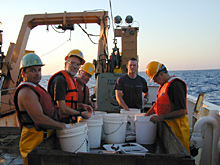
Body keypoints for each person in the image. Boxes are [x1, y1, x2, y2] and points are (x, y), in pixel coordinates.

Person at [14, 53, 67, 165]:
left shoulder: (35, 87)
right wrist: (61, 126)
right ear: (23, 73)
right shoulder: (26, 92)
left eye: (39, 70)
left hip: (43, 138)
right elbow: (39, 119)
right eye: (33, 70)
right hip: (33, 141)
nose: (37, 74)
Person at [145, 61, 190, 153]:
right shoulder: (163, 85)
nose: (154, 81)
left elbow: (181, 111)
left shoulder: (176, 85)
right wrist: (145, 116)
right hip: (168, 130)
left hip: (178, 131)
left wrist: (160, 117)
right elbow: (157, 105)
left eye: (154, 78)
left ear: (161, 74)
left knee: (181, 156)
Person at [47, 49, 93, 123]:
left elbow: (70, 104)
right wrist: (80, 113)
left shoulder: (71, 80)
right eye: (72, 63)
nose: (75, 66)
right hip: (58, 123)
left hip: (67, 122)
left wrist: (82, 106)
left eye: (78, 64)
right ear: (65, 64)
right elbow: (63, 109)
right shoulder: (60, 80)